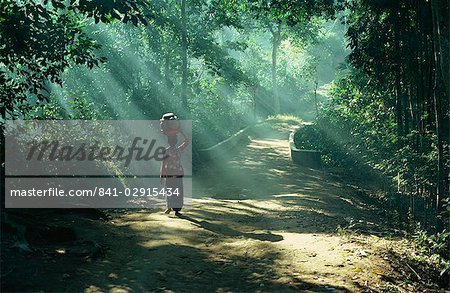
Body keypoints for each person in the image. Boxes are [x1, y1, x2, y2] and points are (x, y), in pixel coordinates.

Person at [160, 131, 189, 216]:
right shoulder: (178, 150)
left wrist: (162, 176)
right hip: (178, 174)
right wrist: (181, 131)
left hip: (169, 175)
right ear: (176, 141)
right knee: (178, 191)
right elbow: (187, 141)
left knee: (169, 190)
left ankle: (169, 207)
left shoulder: (166, 151)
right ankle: (177, 210)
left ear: (168, 141)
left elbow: (164, 164)